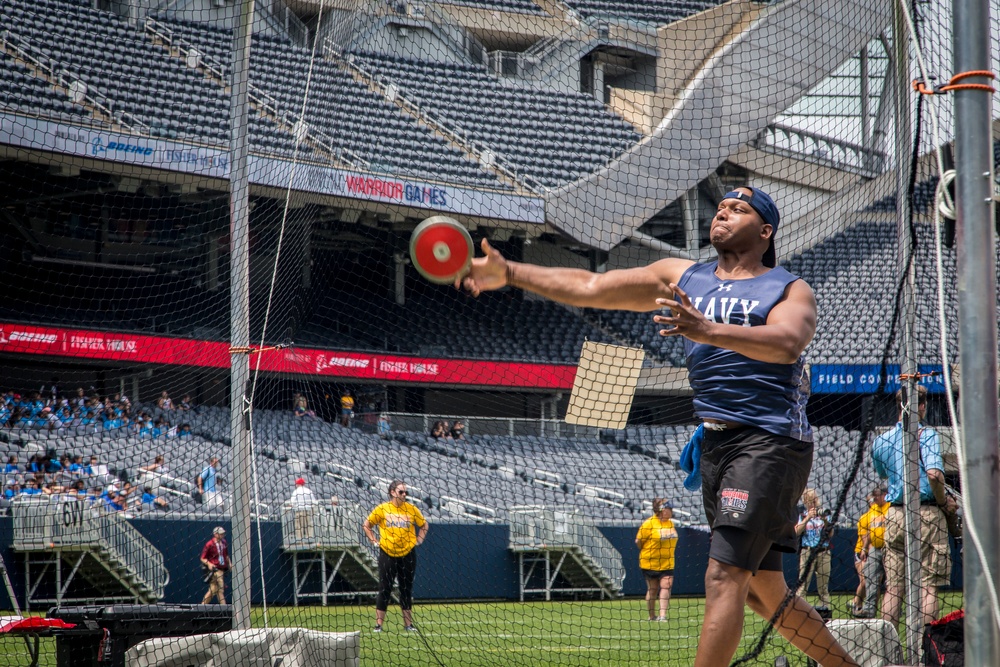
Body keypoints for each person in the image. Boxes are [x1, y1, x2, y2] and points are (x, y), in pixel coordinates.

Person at [459, 186, 856, 666]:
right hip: (716, 443)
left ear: (765, 230)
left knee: (723, 577)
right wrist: (512, 272)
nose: (723, 212)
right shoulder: (682, 276)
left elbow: (787, 343)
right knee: (762, 591)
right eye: (722, 207)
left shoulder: (789, 288)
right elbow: (591, 286)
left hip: (769, 441)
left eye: (739, 209)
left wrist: (708, 331)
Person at [871, 385, 956, 627]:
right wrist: (942, 501)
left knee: (894, 589)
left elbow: (883, 474)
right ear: (921, 406)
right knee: (928, 588)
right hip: (927, 513)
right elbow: (935, 475)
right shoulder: (926, 435)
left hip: (896, 515)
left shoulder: (881, 441)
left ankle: (888, 654)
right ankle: (924, 651)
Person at [363, 480, 428, 633]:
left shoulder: (411, 509)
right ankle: (378, 625)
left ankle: (408, 624)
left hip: (407, 553)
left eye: (406, 492)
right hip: (387, 552)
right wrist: (373, 541)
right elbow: (367, 525)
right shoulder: (382, 509)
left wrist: (419, 540)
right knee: (385, 588)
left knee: (406, 589)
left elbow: (424, 525)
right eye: (401, 492)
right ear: (392, 492)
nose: (404, 495)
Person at [635, 498, 679, 621]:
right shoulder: (649, 523)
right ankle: (652, 616)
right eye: (668, 509)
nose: (671, 511)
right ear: (661, 510)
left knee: (666, 586)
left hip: (668, 562)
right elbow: (638, 541)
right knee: (653, 589)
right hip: (650, 562)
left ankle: (663, 615)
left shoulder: (670, 523)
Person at [853, 483, 890, 618]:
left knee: (892, 581)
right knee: (870, 577)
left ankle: (893, 608)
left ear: (884, 495)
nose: (874, 499)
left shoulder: (890, 507)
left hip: (890, 548)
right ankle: (869, 609)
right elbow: (868, 532)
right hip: (874, 548)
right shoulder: (871, 511)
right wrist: (865, 548)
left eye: (877, 496)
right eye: (873, 497)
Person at [795, 488, 832, 612]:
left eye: (813, 500)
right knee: (803, 584)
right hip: (807, 551)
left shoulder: (824, 513)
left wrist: (825, 520)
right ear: (805, 501)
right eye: (809, 501)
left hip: (823, 551)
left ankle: (825, 610)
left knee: (823, 586)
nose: (812, 503)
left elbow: (831, 533)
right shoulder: (802, 514)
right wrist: (807, 518)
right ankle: (800, 611)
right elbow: (796, 531)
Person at [200, 526, 230, 604]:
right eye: (220, 534)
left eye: (223, 534)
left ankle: (202, 606)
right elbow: (203, 558)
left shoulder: (224, 542)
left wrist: (229, 564)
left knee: (213, 589)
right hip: (215, 569)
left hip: (222, 568)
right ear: (215, 534)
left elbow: (226, 555)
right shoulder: (209, 544)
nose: (222, 535)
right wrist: (209, 564)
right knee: (220, 589)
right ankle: (224, 608)